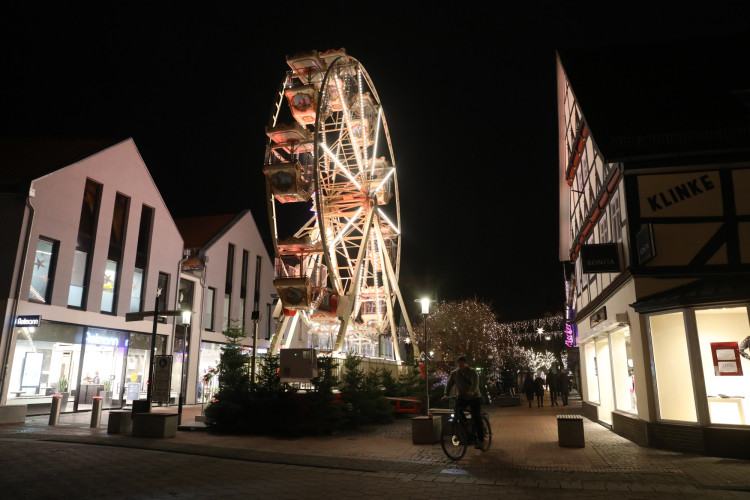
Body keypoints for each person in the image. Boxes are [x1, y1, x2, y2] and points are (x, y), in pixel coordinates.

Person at [444, 356, 485, 449]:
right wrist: (445, 394)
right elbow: (449, 384)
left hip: (474, 397)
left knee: (477, 417)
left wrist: (472, 391)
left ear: (466, 363)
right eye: (459, 363)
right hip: (462, 397)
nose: (460, 364)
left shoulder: (472, 372)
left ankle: (481, 440)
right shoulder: (454, 374)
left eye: (462, 363)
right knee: (457, 410)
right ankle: (466, 423)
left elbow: (475, 383)